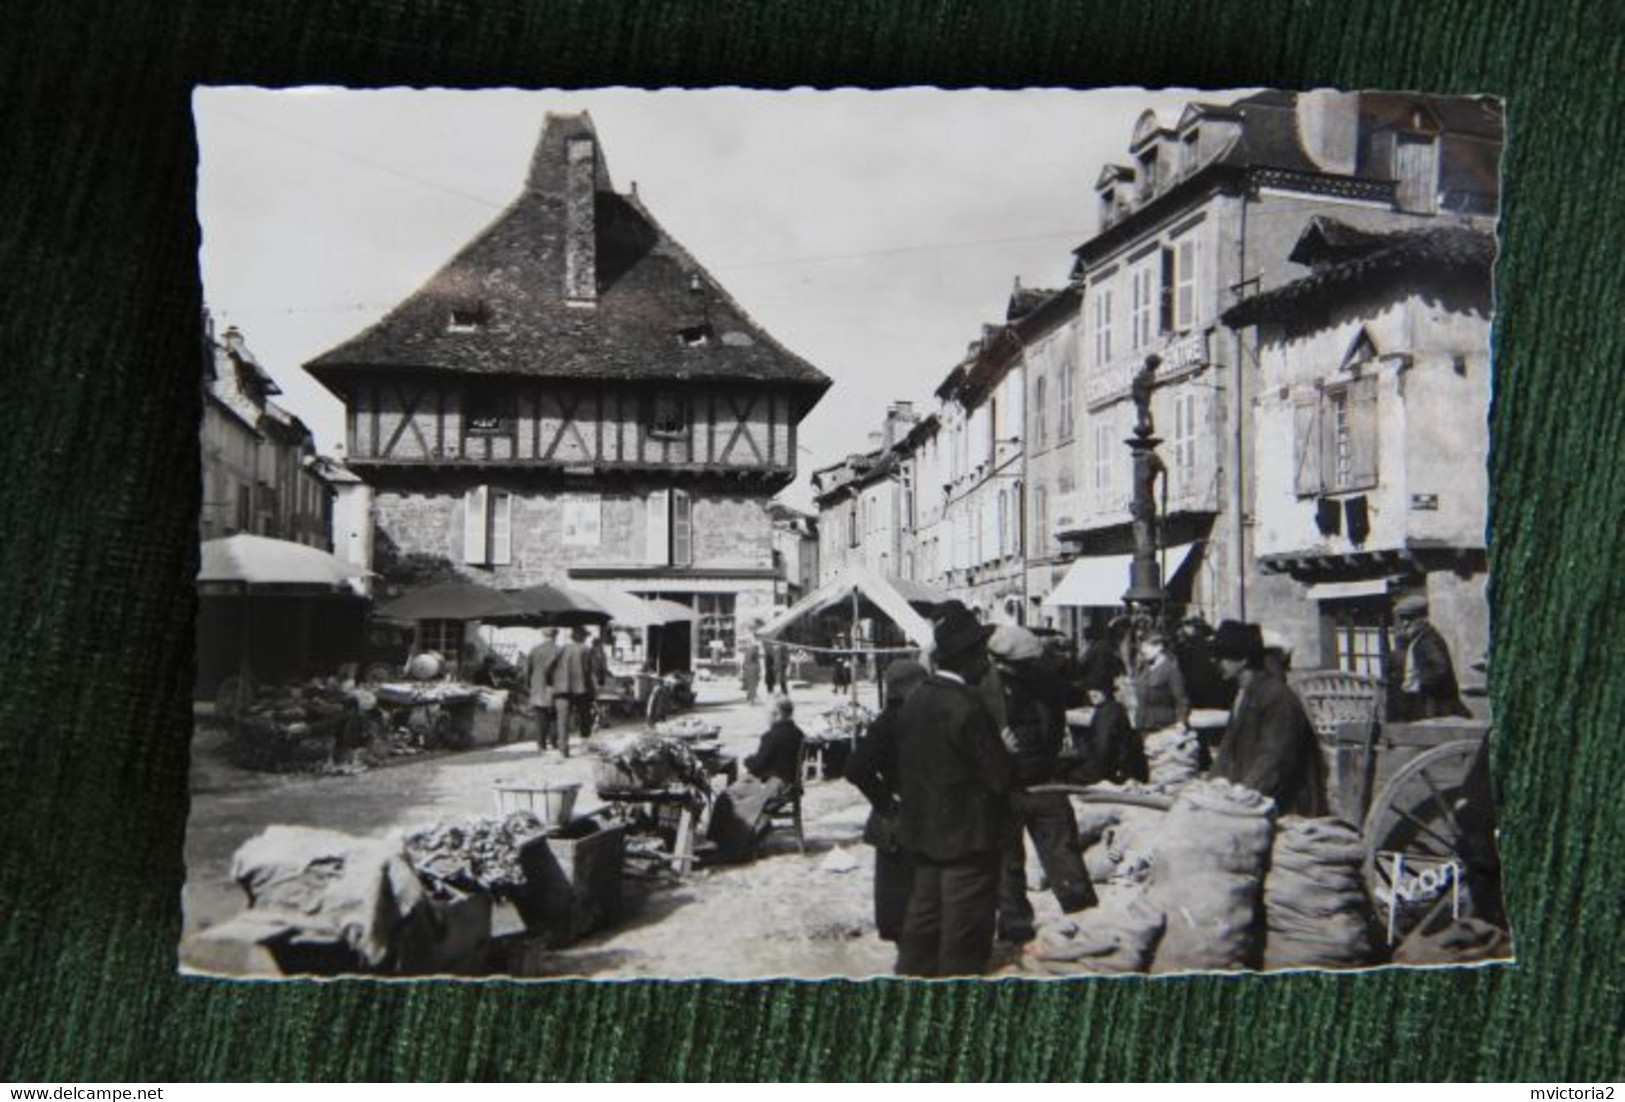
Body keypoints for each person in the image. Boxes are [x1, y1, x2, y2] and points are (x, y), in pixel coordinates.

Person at [895, 607, 1013, 977]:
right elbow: (998, 778)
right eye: (982, 654)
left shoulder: (917, 699)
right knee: (964, 940)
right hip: (968, 841)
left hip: (924, 836)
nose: (987, 662)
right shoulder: (966, 706)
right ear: (968, 659)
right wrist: (1006, 754)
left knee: (922, 929)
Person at [982, 625, 1098, 945]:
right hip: (1004, 787)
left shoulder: (1044, 681)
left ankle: (1083, 916)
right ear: (1000, 661)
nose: (1027, 669)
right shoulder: (981, 687)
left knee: (1063, 850)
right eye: (1020, 665)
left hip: (1045, 781)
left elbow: (1056, 720)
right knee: (1008, 860)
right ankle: (1015, 926)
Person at [844, 659, 928, 945]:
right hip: (912, 812)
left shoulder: (887, 720)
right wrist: (886, 801)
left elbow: (857, 769)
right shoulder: (902, 720)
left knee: (898, 882)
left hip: (900, 811)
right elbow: (855, 768)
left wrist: (884, 801)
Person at [1209, 620, 1329, 817]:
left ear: (1243, 659)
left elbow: (1274, 759)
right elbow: (1227, 749)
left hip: (1288, 809)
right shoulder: (1244, 694)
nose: (1217, 662)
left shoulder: (1277, 698)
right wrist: (1213, 784)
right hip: (1254, 800)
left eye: (1223, 655)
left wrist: (1244, 794)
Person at [706, 696, 807, 863]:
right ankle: (736, 840)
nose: (766, 717)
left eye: (767, 714)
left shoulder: (772, 735)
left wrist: (747, 760)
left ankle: (732, 844)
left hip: (775, 786)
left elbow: (757, 766)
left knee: (728, 797)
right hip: (788, 784)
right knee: (738, 791)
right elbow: (773, 760)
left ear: (776, 714)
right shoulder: (797, 733)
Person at [1059, 666, 1149, 786]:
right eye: (1090, 691)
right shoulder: (1113, 708)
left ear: (1105, 692)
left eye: (1096, 691)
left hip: (1112, 771)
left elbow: (1102, 750)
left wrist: (1085, 773)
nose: (1091, 694)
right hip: (1122, 766)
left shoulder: (1107, 714)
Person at [1388, 595, 1471, 721]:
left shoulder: (1429, 641)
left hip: (1434, 707)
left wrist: (1418, 687)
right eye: (1402, 619)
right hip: (1422, 704)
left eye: (1410, 618)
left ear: (1424, 618)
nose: (1405, 623)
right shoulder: (1417, 640)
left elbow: (1439, 670)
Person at [548, 625, 598, 757]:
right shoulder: (586, 650)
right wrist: (592, 691)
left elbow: (549, 668)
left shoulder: (561, 649)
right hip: (581, 690)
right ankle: (584, 745)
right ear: (582, 637)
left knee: (562, 720)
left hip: (561, 690)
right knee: (584, 718)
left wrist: (553, 683)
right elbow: (589, 672)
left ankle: (563, 749)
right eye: (585, 636)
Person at [1131, 631, 1190, 734]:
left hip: (1161, 726)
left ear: (1159, 647)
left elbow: (1181, 700)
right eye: (1142, 646)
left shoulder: (1171, 670)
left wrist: (1181, 721)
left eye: (1146, 646)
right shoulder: (1144, 668)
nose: (1143, 650)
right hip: (1142, 724)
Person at [525, 630, 561, 753]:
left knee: (540, 717)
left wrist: (529, 685)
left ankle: (541, 744)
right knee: (555, 716)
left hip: (538, 688)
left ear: (543, 635)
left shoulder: (534, 650)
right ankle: (555, 742)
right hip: (556, 688)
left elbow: (528, 671)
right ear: (556, 635)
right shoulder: (560, 651)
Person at [740, 638, 762, 705]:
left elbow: (744, 662)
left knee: (749, 684)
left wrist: (743, 670)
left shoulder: (747, 651)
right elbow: (757, 662)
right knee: (753, 685)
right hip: (753, 669)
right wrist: (759, 670)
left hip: (747, 669)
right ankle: (751, 699)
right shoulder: (755, 651)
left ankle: (749, 697)